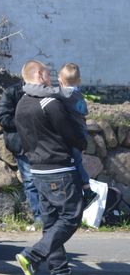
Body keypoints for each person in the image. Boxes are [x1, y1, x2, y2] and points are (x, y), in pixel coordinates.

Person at [14, 60, 87, 275]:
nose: (50, 76)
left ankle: (60, 274)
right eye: (47, 72)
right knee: (71, 217)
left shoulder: (22, 103)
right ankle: (33, 255)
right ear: (38, 74)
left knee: (51, 221)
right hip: (58, 167)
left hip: (37, 169)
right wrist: (81, 142)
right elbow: (70, 133)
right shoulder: (49, 102)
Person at [0, 78, 41, 225]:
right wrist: (26, 123)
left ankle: (51, 217)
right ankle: (39, 217)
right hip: (21, 144)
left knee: (46, 181)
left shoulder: (45, 93)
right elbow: (3, 118)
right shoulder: (12, 92)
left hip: (43, 144)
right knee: (30, 181)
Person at [57, 62, 92, 199]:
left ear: (60, 80)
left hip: (74, 134)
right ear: (79, 81)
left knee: (75, 162)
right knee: (77, 161)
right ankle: (85, 188)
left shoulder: (65, 93)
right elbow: (84, 113)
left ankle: (87, 189)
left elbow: (51, 93)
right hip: (81, 132)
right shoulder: (78, 94)